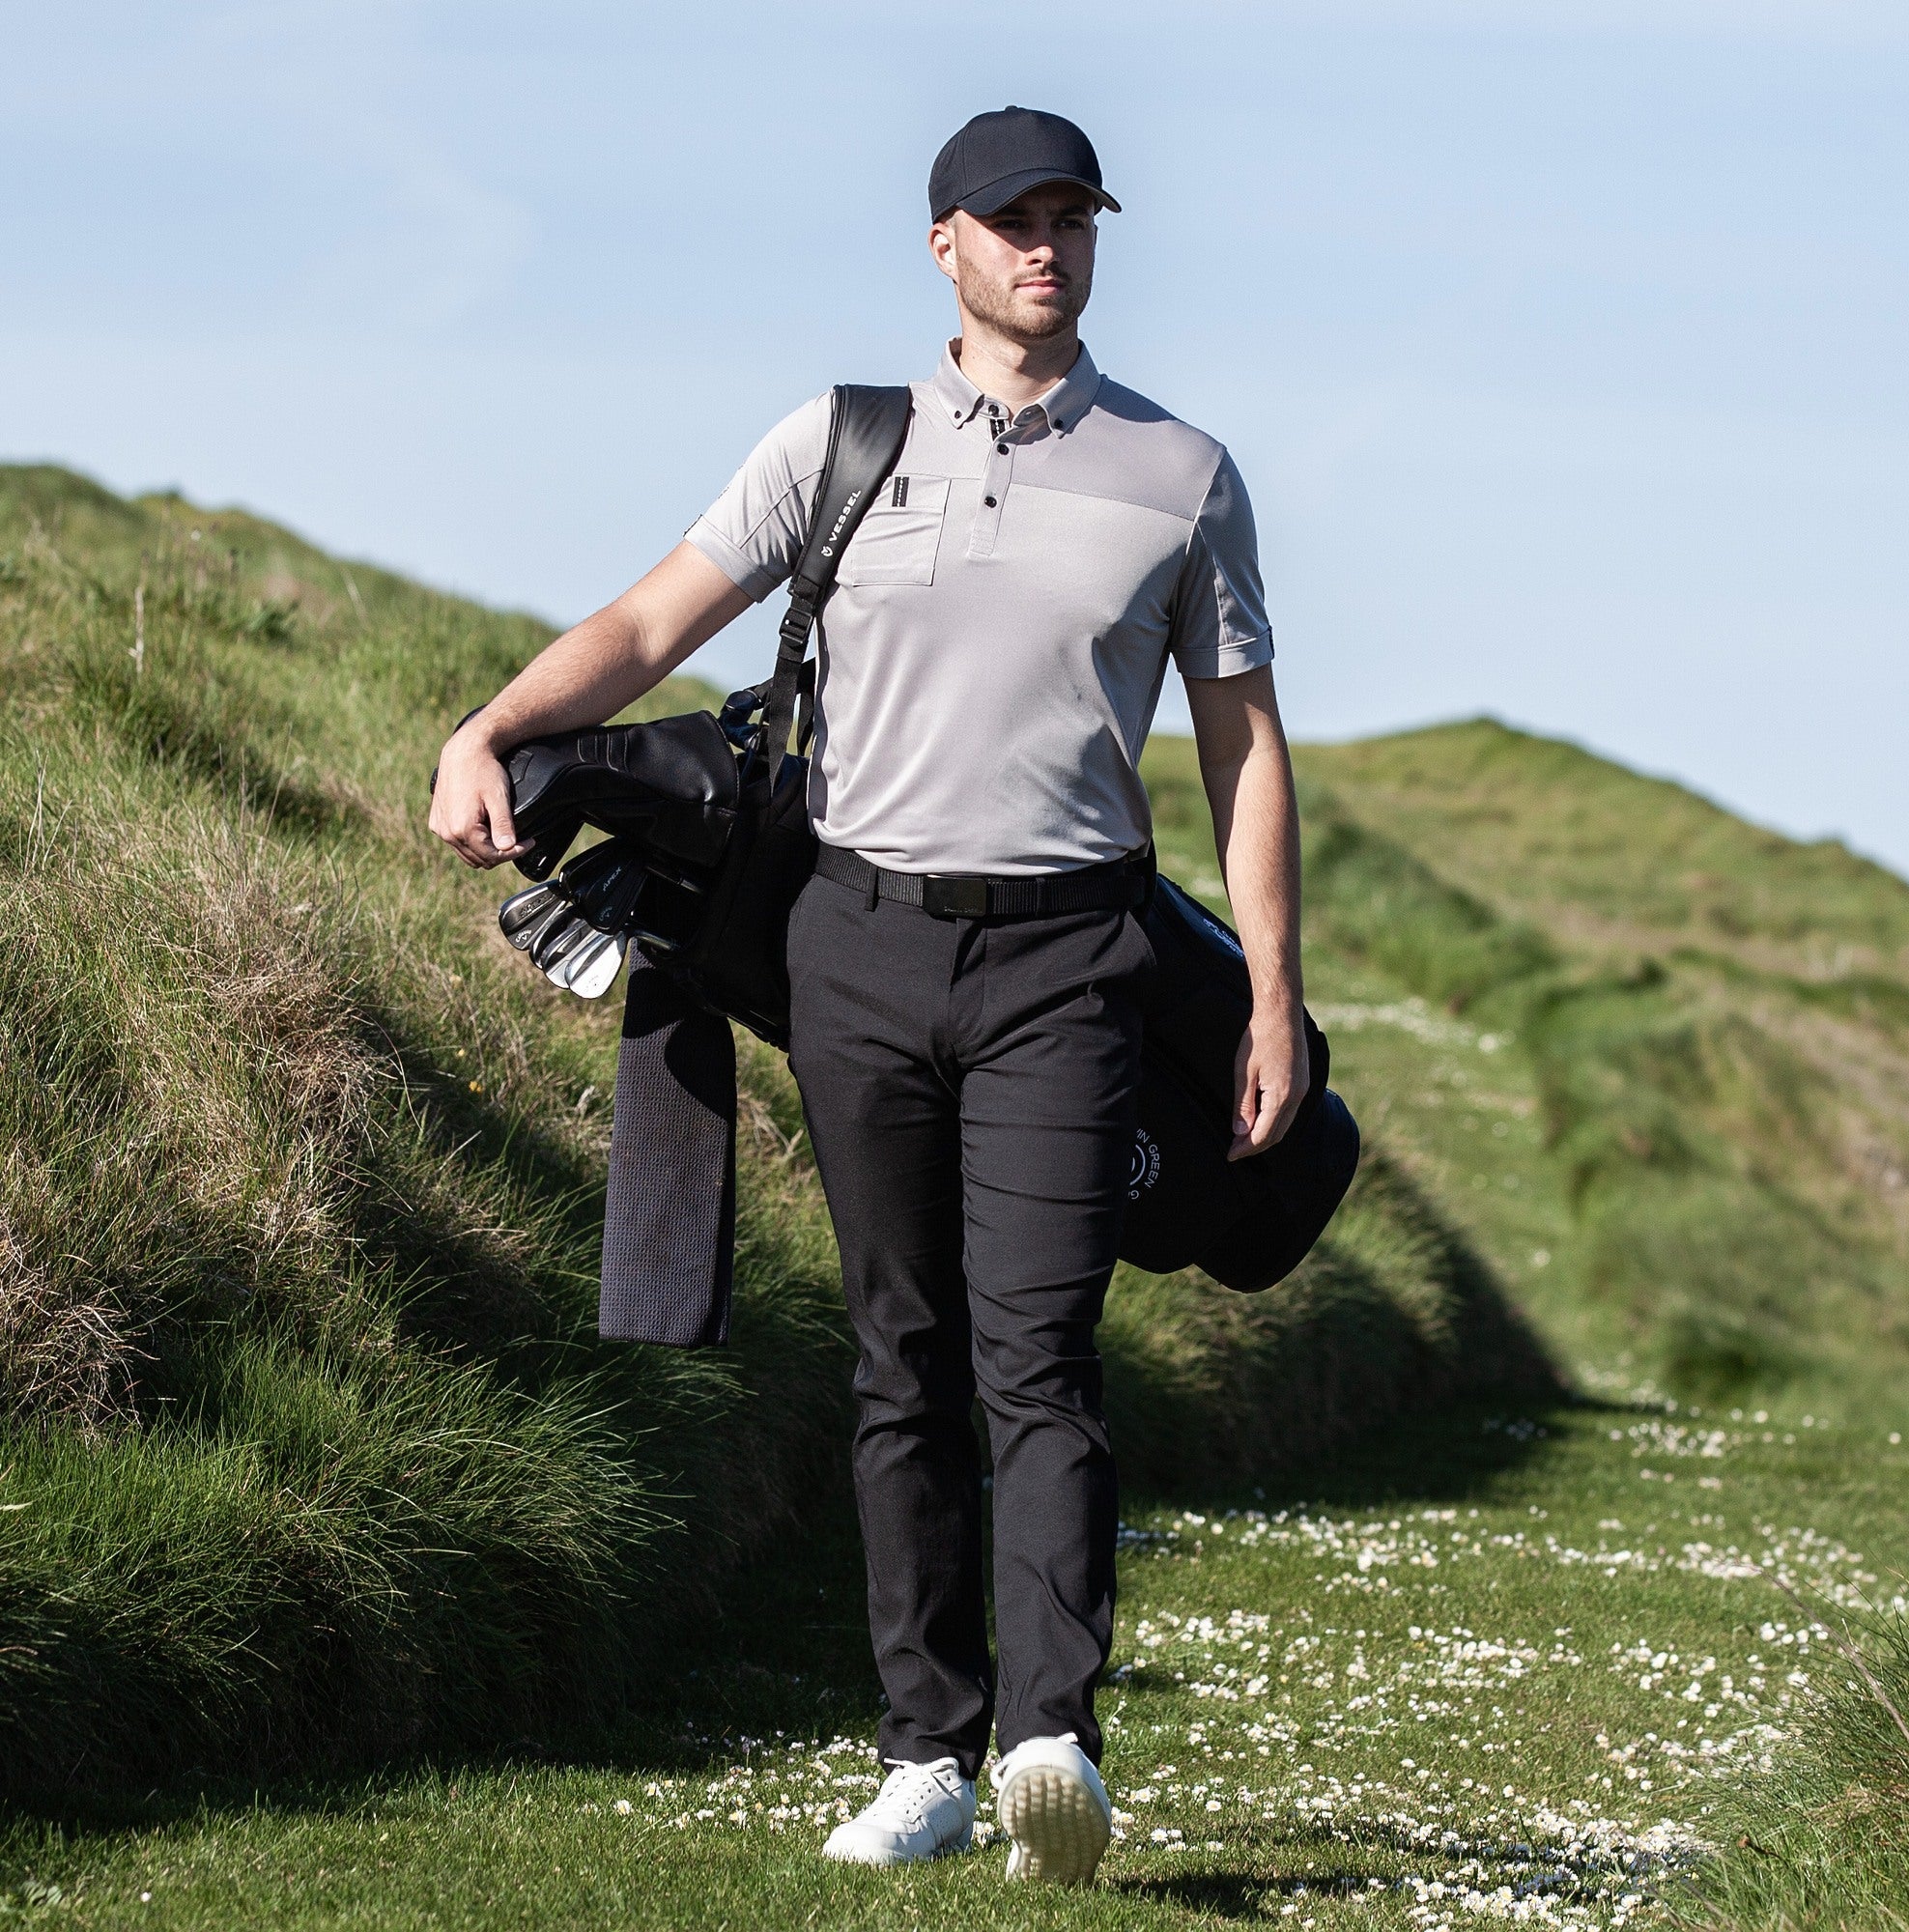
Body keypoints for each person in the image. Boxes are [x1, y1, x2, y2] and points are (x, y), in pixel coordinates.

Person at [428, 104, 1307, 1888]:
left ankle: (1051, 1739)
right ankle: (927, 1759)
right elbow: (652, 623)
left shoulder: (1182, 473)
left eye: (1072, 215)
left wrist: (1275, 995)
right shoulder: (838, 443)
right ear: (945, 246)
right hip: (860, 946)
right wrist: (493, 725)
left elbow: (1246, 746)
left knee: (1038, 1352)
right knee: (902, 1356)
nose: (1046, 245)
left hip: (1071, 958)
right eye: (1013, 217)